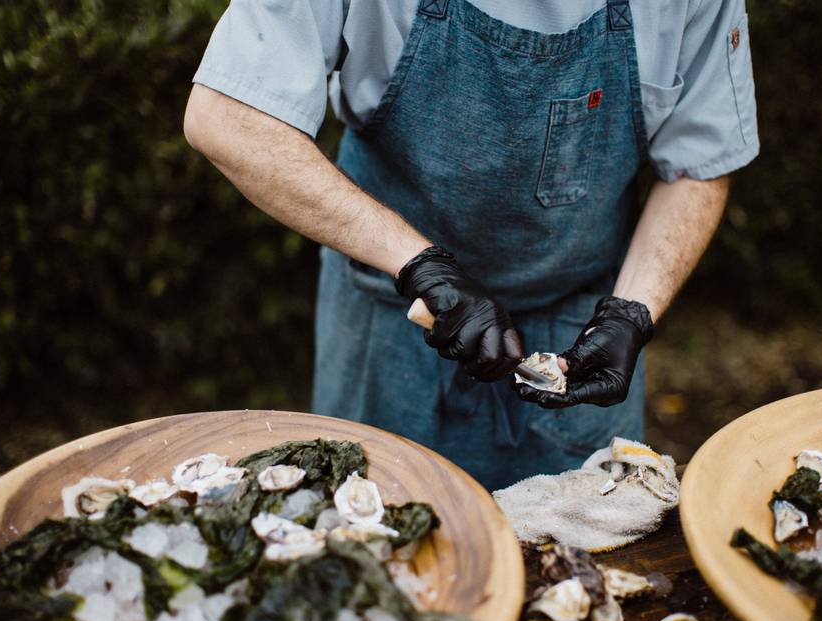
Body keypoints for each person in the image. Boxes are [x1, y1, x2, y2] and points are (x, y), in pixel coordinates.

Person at [184, 0, 758, 490]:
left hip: (575, 327)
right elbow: (229, 114)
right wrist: (421, 266)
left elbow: (697, 164)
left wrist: (633, 311)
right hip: (390, 326)